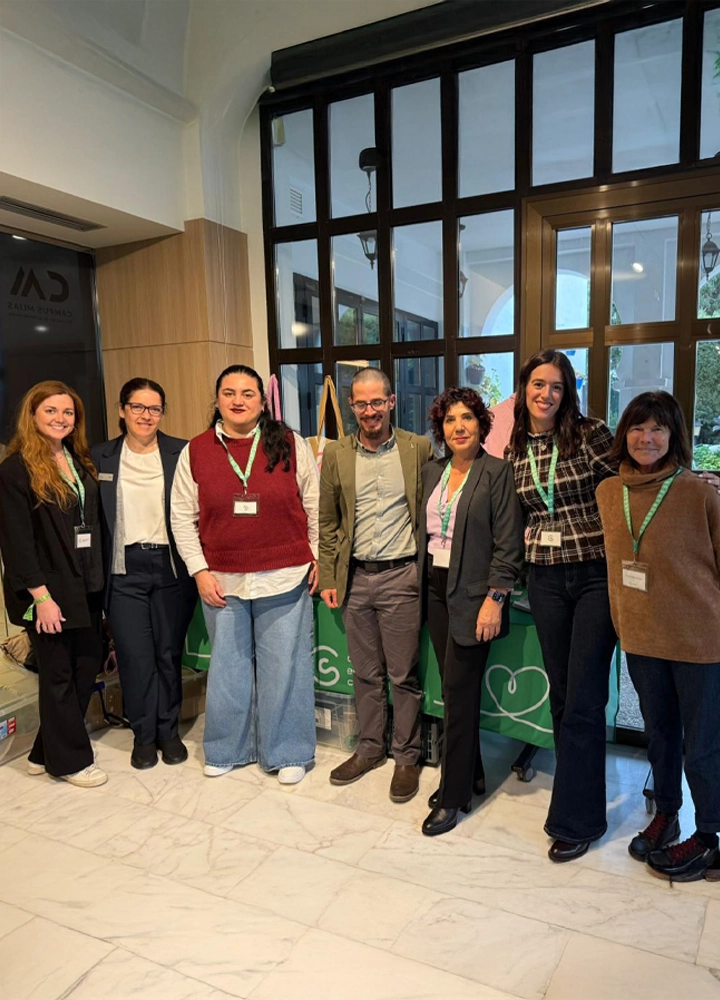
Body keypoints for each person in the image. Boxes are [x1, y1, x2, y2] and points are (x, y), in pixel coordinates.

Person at [171, 364, 318, 784]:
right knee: (228, 668)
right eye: (229, 392)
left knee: (284, 667)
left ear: (262, 401)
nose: (238, 400)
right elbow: (182, 516)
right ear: (217, 399)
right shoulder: (196, 450)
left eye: (248, 393)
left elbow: (314, 502)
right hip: (222, 579)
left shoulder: (290, 444)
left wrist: (317, 556)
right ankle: (226, 749)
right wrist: (198, 570)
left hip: (285, 574)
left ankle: (288, 750)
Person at [596, 392, 720, 881]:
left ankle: (709, 835)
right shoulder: (609, 493)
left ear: (673, 437)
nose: (647, 439)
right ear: (624, 434)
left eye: (658, 430)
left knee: (704, 744)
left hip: (699, 641)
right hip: (643, 639)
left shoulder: (698, 492)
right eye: (638, 428)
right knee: (660, 734)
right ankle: (666, 814)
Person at [506, 350, 617, 862]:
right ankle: (579, 799)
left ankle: (578, 819)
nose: (545, 394)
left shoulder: (590, 433)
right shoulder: (515, 446)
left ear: (567, 391)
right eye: (537, 384)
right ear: (523, 388)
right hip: (546, 578)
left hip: (595, 573)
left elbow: (630, 482)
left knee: (584, 698)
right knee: (562, 695)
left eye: (556, 386)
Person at [318, 368, 434, 803]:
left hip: (403, 575)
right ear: (351, 407)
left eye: (376, 402)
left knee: (403, 675)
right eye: (360, 403)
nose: (369, 411)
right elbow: (327, 520)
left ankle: (406, 757)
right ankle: (370, 749)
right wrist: (329, 575)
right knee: (365, 674)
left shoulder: (418, 448)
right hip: (355, 578)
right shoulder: (336, 454)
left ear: (391, 401)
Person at [419, 388, 524, 835]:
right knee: (451, 689)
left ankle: (454, 794)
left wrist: (495, 599)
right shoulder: (432, 472)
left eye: (466, 418)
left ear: (482, 424)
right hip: (435, 589)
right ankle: (473, 774)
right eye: (449, 420)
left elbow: (508, 544)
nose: (458, 427)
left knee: (459, 696)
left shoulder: (497, 473)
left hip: (474, 593)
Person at [0, 381, 106, 787]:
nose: (61, 419)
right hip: (47, 593)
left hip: (86, 585)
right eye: (51, 411)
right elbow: (17, 542)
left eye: (68, 413)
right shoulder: (15, 470)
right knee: (59, 674)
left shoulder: (77, 460)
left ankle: (45, 751)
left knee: (86, 666)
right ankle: (71, 762)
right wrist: (40, 597)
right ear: (32, 416)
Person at [92, 378, 197, 771]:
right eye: (137, 407)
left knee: (168, 654)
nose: (145, 415)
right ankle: (143, 734)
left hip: (170, 567)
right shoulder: (99, 457)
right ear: (122, 410)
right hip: (124, 570)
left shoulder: (180, 453)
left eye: (154, 408)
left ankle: (168, 731)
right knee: (136, 658)